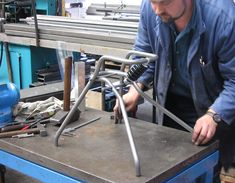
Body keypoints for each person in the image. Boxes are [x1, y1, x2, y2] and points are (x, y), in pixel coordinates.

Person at [113, 0, 235, 170]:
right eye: (153, 2)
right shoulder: (151, 8)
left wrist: (214, 115)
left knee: (204, 169)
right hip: (168, 108)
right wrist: (135, 88)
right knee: (168, 169)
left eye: (165, 2)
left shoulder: (224, 19)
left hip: (210, 112)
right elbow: (145, 53)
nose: (157, 10)